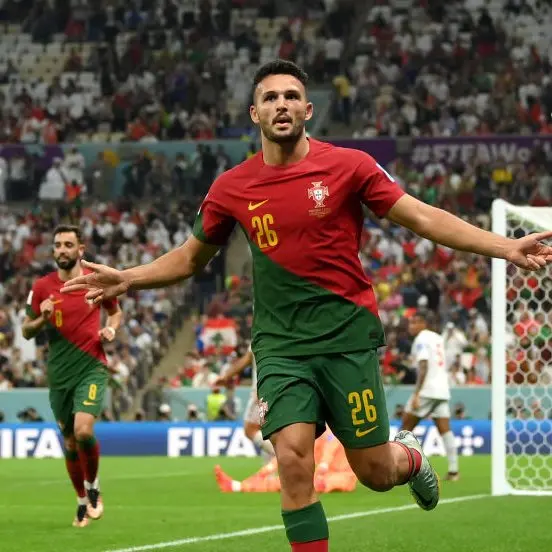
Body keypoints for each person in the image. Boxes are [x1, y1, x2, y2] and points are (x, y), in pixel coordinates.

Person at [60, 60, 552, 551]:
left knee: (376, 472)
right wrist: (128, 277)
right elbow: (190, 258)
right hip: (281, 348)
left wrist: (505, 246)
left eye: (291, 96)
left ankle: (411, 457)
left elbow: (421, 217)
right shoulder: (231, 187)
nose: (282, 105)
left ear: (308, 110)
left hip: (346, 338)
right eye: (270, 97)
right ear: (254, 113)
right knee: (293, 461)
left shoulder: (350, 166)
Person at [22, 225, 122, 528]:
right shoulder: (42, 287)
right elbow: (26, 331)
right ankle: (81, 500)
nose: (62, 250)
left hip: (91, 365)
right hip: (59, 374)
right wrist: (42, 318)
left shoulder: (95, 280)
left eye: (68, 244)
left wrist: (111, 329)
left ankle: (93, 487)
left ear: (80, 249)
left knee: (83, 431)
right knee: (68, 443)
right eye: (58, 245)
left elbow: (115, 311)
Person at [400, 312, 459, 481]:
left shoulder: (421, 339)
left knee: (405, 427)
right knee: (445, 430)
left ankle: (397, 468)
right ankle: (454, 471)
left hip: (427, 389)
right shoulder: (437, 338)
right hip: (442, 389)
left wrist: (417, 393)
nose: (411, 326)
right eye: (410, 323)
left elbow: (424, 365)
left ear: (423, 324)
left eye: (415, 323)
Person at [214, 429, 356, 494]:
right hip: (322, 474)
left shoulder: (333, 428)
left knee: (304, 483)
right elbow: (293, 452)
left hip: (341, 475)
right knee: (290, 480)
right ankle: (238, 486)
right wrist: (269, 468)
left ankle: (239, 486)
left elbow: (331, 446)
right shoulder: (314, 431)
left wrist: (323, 467)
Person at [216, 345, 275, 456]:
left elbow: (247, 358)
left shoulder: (261, 336)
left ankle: (281, 456)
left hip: (262, 390)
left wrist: (226, 376)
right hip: (286, 388)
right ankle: (276, 462)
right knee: (273, 430)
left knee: (250, 429)